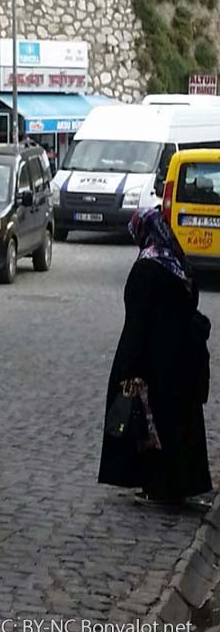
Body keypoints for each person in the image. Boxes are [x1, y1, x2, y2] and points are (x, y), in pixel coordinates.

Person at [98, 208, 212, 507]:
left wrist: (128, 366)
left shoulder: (146, 268)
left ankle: (159, 488)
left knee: (153, 426)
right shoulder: (178, 263)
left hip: (154, 362)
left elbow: (138, 322)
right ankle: (182, 485)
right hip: (184, 359)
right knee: (180, 423)